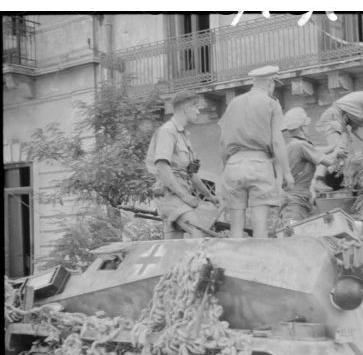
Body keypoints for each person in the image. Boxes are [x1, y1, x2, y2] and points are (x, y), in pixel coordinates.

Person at [218, 65, 294, 238]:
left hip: (233, 165)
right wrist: (287, 173)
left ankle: (234, 263)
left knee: (235, 228)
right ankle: (258, 262)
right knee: (259, 227)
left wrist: (225, 170)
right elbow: (277, 141)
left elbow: (222, 143)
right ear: (270, 83)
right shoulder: (271, 103)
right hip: (259, 165)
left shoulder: (233, 104)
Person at [145, 91, 219, 239]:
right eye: (196, 107)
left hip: (178, 196)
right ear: (186, 108)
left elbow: (191, 174)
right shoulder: (168, 131)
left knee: (172, 249)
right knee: (200, 235)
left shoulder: (184, 136)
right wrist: (185, 196)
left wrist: (210, 196)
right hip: (171, 196)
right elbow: (162, 167)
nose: (198, 111)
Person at [278, 107, 346, 224]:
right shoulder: (302, 146)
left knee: (297, 233)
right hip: (296, 201)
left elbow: (317, 150)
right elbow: (329, 162)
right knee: (294, 235)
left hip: (292, 198)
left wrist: (334, 146)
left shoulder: (291, 145)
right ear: (302, 127)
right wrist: (339, 150)